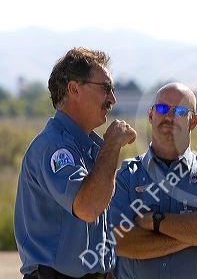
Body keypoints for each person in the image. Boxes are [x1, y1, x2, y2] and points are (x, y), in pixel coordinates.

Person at [14, 47, 137, 278]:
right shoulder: (54, 147)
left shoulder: (88, 149)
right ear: (74, 89)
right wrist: (112, 144)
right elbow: (87, 208)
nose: (112, 99)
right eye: (106, 88)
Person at [110, 82, 197, 279]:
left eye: (181, 111)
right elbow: (119, 242)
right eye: (162, 108)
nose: (169, 117)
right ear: (150, 115)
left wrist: (156, 222)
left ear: (193, 121)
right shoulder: (126, 177)